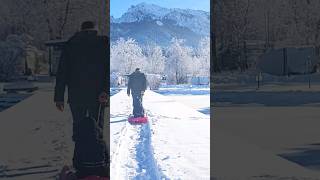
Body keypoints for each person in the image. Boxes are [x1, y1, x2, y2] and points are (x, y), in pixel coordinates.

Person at [54, 21, 109, 178]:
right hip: (98, 97)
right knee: (97, 130)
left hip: (76, 96)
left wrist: (59, 98)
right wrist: (105, 90)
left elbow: (62, 72)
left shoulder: (71, 44)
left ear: (81, 30)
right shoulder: (103, 43)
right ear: (95, 30)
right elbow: (108, 69)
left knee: (79, 130)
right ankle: (98, 163)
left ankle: (81, 164)